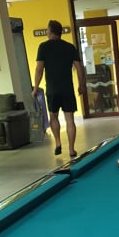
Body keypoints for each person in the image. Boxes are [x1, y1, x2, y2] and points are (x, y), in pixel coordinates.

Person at [32, 20, 84, 158]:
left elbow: (39, 69)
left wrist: (35, 88)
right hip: (67, 89)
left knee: (53, 116)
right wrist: (81, 85)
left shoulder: (43, 47)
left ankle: (58, 143)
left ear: (50, 31)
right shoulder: (70, 47)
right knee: (70, 119)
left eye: (47, 30)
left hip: (52, 89)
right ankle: (71, 149)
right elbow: (79, 68)